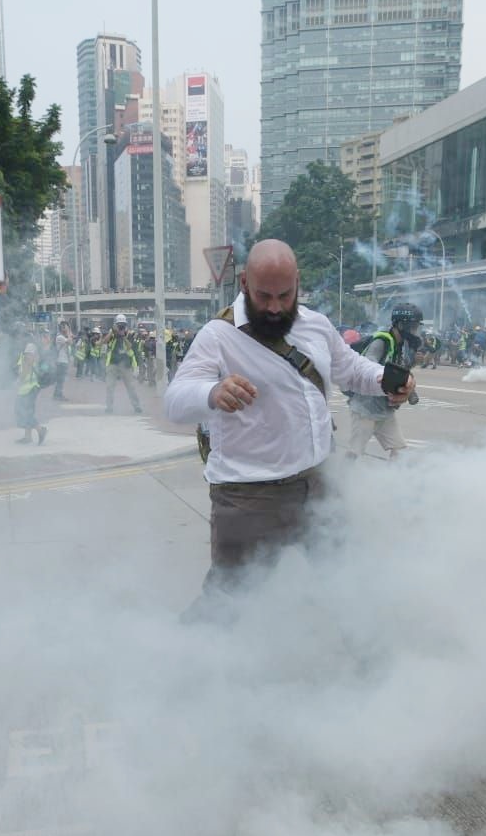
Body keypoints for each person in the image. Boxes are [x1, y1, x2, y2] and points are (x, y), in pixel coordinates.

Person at [163, 239, 414, 603]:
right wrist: (212, 392)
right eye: (264, 296)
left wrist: (386, 380)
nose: (276, 308)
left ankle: (372, 657)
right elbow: (174, 401)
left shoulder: (316, 325)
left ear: (297, 282)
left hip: (317, 483)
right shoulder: (218, 336)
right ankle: (189, 657)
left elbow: (351, 369)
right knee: (227, 605)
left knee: (348, 584)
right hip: (249, 496)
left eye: (285, 295)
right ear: (245, 283)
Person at [345, 302, 421, 461]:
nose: (415, 331)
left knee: (399, 451)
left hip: (385, 410)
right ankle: (341, 480)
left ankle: (394, 481)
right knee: (354, 453)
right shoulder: (382, 341)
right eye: (413, 327)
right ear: (401, 325)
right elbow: (367, 364)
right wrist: (379, 376)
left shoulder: (401, 345)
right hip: (364, 409)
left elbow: (402, 372)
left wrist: (410, 391)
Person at [103, 313, 143, 414]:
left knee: (131, 387)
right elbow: (104, 341)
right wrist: (112, 332)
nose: (121, 327)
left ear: (126, 325)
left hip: (126, 364)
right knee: (109, 386)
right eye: (119, 324)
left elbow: (129, 346)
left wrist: (123, 336)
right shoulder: (111, 333)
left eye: (123, 325)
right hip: (113, 362)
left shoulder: (129, 334)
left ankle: (137, 406)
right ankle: (109, 407)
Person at [16, 331, 50, 444]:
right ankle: (28, 437)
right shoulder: (29, 347)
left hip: (29, 387)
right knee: (27, 411)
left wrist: (20, 380)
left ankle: (41, 430)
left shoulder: (29, 347)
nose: (18, 339)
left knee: (25, 412)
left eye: (19, 336)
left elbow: (28, 362)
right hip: (28, 387)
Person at [52, 320, 73, 399]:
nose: (67, 329)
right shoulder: (59, 337)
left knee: (61, 380)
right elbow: (70, 342)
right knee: (60, 380)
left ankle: (57, 394)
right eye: (65, 327)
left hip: (64, 361)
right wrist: (68, 332)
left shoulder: (63, 337)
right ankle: (58, 395)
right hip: (61, 361)